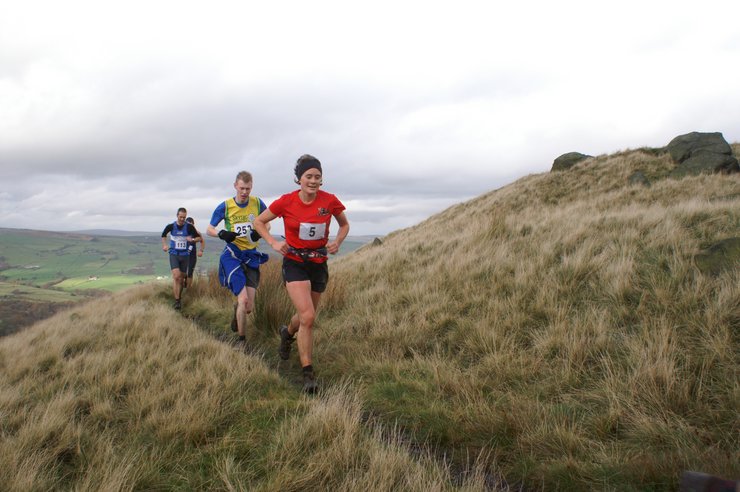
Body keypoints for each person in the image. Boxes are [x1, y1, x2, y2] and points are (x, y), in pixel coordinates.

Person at [253, 154, 349, 394]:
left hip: (318, 263)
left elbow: (344, 224)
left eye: (317, 176)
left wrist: (337, 241)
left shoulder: (330, 201)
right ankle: (308, 372)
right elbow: (259, 222)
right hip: (294, 262)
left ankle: (287, 333)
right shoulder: (286, 202)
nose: (313, 181)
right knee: (308, 316)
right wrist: (274, 243)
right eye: (309, 176)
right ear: (299, 179)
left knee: (307, 317)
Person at [207, 171, 270, 350]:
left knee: (248, 307)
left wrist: (259, 232)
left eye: (247, 189)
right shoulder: (225, 206)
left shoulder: (257, 203)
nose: (244, 192)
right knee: (243, 299)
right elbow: (209, 229)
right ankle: (242, 342)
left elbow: (268, 223)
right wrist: (221, 233)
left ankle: (238, 311)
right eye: (241, 188)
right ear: (235, 186)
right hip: (232, 255)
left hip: (251, 255)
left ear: (252, 187)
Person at [161, 207, 200, 310]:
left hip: (185, 255)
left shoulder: (189, 227)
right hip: (174, 254)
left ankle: (184, 280)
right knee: (176, 276)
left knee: (181, 278)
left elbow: (198, 238)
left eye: (184, 217)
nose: (182, 219)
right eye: (181, 217)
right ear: (177, 216)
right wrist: (164, 245)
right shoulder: (171, 226)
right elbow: (163, 235)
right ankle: (177, 301)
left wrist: (192, 239)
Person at [183, 217, 205, 289]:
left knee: (190, 272)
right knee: (182, 272)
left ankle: (188, 289)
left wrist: (201, 250)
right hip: (183, 254)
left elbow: (202, 241)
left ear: (193, 224)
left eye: (191, 225)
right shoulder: (183, 232)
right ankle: (183, 284)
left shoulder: (197, 233)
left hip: (192, 254)